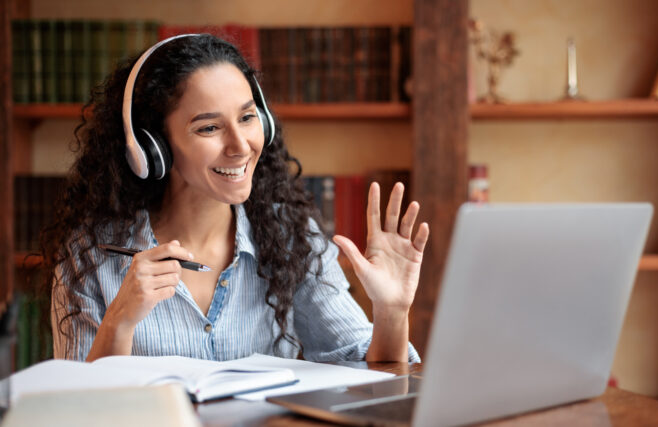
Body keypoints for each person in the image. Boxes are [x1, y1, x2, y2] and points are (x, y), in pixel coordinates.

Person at [36, 34, 428, 363]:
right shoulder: (89, 254)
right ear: (152, 146)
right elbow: (83, 406)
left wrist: (392, 313)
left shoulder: (289, 235)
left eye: (247, 117)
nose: (240, 146)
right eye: (209, 127)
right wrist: (119, 321)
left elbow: (371, 374)